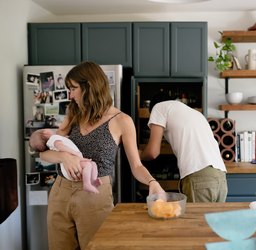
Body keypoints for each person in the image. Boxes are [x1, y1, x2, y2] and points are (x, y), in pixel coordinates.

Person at [37, 61, 165, 250]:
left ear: (90, 87)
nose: (70, 95)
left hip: (94, 196)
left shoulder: (122, 121)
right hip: (60, 191)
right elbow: (44, 154)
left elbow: (136, 166)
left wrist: (153, 182)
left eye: (73, 89)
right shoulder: (74, 113)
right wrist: (64, 157)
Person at [139, 92, 228, 203]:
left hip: (199, 178)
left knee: (194, 220)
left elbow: (153, 152)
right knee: (212, 220)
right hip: (220, 178)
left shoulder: (158, 107)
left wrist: (138, 154)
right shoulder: (193, 112)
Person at [29, 128, 102, 193]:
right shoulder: (53, 138)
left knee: (92, 164)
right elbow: (61, 147)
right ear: (45, 132)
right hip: (70, 167)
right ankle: (87, 184)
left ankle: (93, 181)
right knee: (88, 165)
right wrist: (75, 153)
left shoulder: (52, 142)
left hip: (68, 169)